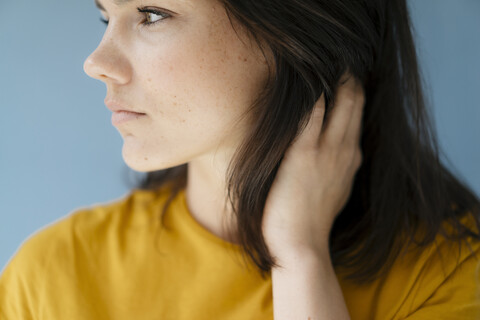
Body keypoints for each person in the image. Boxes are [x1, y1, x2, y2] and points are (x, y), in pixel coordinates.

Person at [1, 0, 479, 319]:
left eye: (151, 14)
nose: (96, 61)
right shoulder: (50, 279)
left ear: (294, 30)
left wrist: (300, 259)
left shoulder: (449, 275)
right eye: (107, 17)